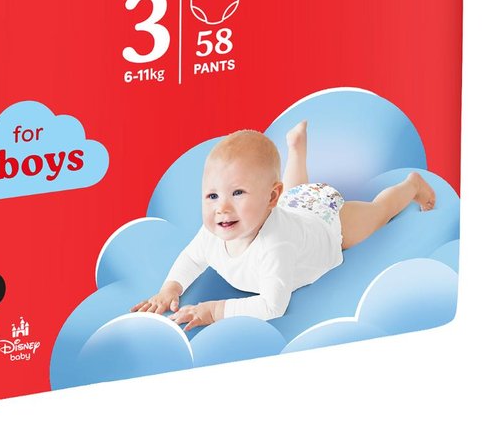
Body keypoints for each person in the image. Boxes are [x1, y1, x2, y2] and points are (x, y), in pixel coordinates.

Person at [131, 121, 435, 327]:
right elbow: (192, 257)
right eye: (212, 196)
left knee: (378, 213)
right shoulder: (219, 228)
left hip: (327, 222)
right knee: (293, 194)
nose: (221, 208)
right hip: (292, 205)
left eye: (238, 193)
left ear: (269, 197)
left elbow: (272, 306)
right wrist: (170, 287)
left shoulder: (275, 246)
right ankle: (297, 148)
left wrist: (214, 311)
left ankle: (410, 186)